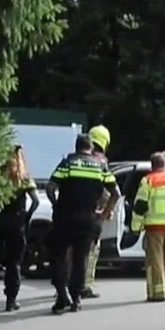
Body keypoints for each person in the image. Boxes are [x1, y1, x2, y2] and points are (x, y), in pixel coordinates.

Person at [45, 133, 119, 314]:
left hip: (65, 216)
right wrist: (105, 213)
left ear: (76, 147)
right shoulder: (100, 166)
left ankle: (62, 295)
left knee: (58, 255)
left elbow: (50, 187)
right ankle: (76, 299)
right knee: (81, 258)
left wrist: (56, 205)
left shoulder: (68, 163)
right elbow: (115, 193)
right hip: (88, 218)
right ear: (91, 148)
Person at [0, 145, 40, 312]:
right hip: (16, 222)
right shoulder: (23, 177)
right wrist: (26, 217)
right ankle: (11, 301)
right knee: (14, 263)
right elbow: (35, 201)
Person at [129, 151, 165, 302]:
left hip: (154, 227)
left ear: (152, 166)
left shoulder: (148, 180)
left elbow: (140, 206)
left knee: (155, 261)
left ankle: (158, 293)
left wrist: (135, 227)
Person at [81, 124, 114, 299]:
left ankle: (67, 285)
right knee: (91, 251)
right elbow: (106, 191)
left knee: (71, 252)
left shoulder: (77, 158)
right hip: (92, 215)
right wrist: (107, 209)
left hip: (71, 212)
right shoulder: (101, 163)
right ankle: (85, 286)